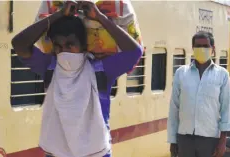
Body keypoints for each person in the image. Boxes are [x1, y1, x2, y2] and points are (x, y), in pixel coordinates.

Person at [11, 1, 143, 157]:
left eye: (70, 44)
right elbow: (18, 43)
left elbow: (135, 52)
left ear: (83, 45)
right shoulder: (50, 67)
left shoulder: (100, 70)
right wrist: (58, 15)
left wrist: (100, 18)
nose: (64, 50)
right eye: (58, 46)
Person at [167, 31, 230, 157]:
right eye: (198, 46)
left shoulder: (222, 75)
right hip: (184, 138)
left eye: (205, 46)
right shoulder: (181, 73)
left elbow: (226, 109)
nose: (201, 49)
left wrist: (223, 141)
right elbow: (174, 108)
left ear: (213, 49)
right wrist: (172, 141)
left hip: (210, 139)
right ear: (193, 48)